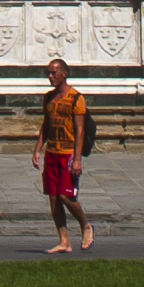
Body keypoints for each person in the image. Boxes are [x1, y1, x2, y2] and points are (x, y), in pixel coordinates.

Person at [39, 56, 92, 254]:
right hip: (52, 152)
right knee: (53, 198)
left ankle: (85, 225)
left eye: (53, 73)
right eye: (48, 73)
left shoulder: (77, 98)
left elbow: (80, 131)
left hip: (68, 153)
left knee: (65, 195)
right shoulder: (48, 98)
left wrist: (77, 159)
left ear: (64, 74)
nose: (50, 76)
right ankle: (64, 240)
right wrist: (37, 149)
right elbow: (46, 125)